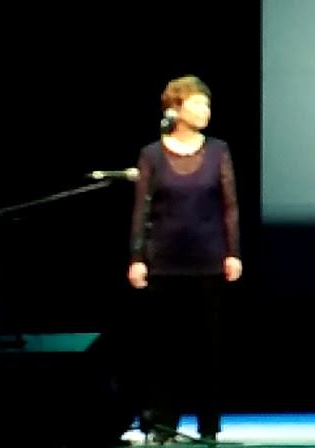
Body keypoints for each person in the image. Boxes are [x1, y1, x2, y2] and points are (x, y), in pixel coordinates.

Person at [127, 75, 242, 444]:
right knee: (163, 349)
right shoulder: (151, 155)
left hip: (207, 261)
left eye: (207, 104)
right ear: (175, 109)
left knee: (208, 348)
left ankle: (208, 427)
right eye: (197, 104)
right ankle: (163, 425)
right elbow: (142, 210)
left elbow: (229, 206)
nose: (206, 111)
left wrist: (233, 252)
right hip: (164, 263)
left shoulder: (219, 150)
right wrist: (137, 257)